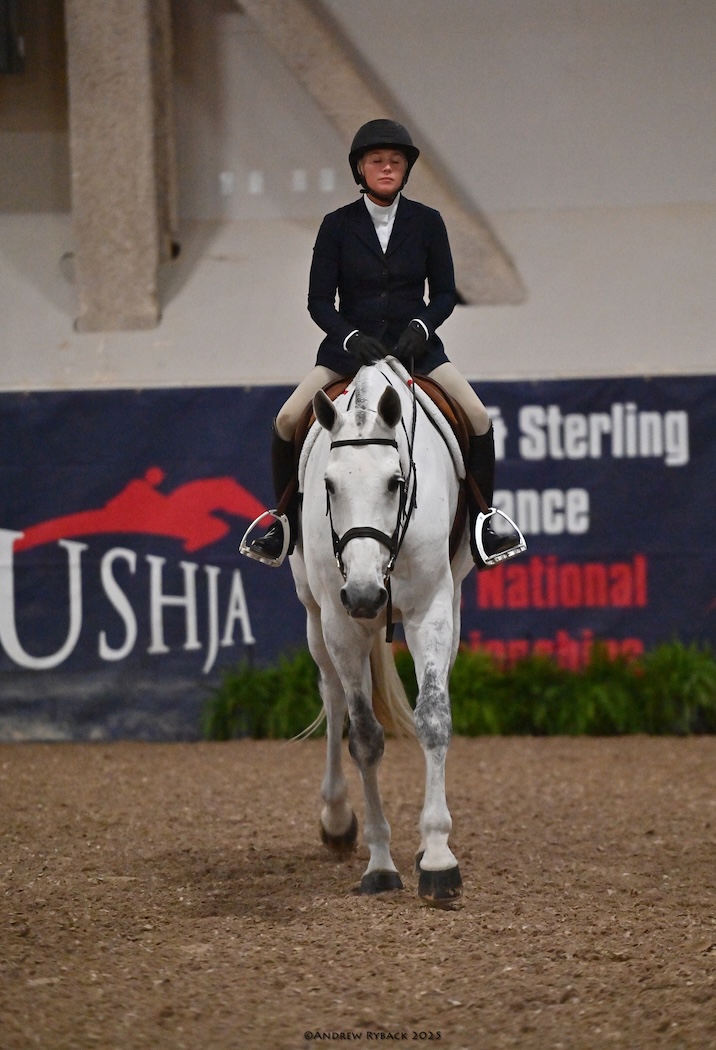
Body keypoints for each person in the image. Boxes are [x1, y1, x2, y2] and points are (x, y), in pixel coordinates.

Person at [244, 119, 524, 568]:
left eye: (396, 161)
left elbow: (446, 293)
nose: (387, 168)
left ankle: (483, 521)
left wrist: (423, 325)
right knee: (286, 418)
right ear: (361, 169)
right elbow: (319, 300)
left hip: (417, 350)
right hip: (350, 353)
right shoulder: (337, 226)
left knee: (477, 417)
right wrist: (350, 337)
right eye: (377, 161)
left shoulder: (428, 222)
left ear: (406, 170)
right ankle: (284, 522)